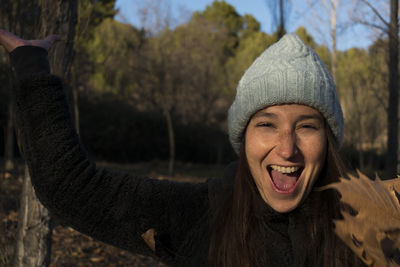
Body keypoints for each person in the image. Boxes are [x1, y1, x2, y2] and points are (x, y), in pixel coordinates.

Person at [0, 29, 366, 266]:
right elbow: (72, 188)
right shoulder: (200, 216)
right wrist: (32, 67)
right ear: (243, 137)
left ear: (329, 141)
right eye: (267, 124)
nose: (287, 149)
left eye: (306, 126)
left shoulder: (374, 228)